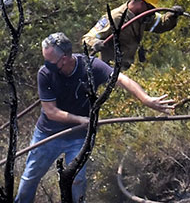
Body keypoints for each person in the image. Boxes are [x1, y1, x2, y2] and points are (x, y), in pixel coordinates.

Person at [15, 32, 174, 203]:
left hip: (79, 137)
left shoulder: (90, 66)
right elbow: (51, 112)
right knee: (30, 177)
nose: (48, 66)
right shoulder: (45, 73)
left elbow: (122, 79)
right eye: (46, 61)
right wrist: (81, 120)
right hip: (48, 134)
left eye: (52, 63)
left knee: (77, 180)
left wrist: (146, 99)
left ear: (66, 57)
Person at [81, 0, 183, 70]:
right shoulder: (115, 17)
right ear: (142, 3)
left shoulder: (142, 16)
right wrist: (95, 43)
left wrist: (172, 16)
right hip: (109, 71)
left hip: (128, 69)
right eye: (151, 7)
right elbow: (87, 38)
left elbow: (161, 24)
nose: (153, 11)